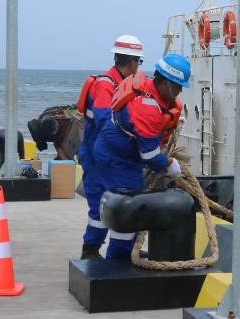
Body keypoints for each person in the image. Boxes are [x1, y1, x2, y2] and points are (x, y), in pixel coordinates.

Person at [92, 53, 190, 260]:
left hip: (121, 153)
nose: (180, 91)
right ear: (165, 83)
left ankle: (121, 253)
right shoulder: (147, 108)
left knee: (127, 205)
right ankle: (118, 262)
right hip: (116, 158)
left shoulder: (149, 90)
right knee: (128, 209)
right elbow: (150, 155)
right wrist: (170, 164)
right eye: (178, 86)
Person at [77, 35, 145, 260]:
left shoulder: (120, 83)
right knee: (102, 203)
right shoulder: (106, 85)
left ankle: (119, 249)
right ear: (132, 62)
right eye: (138, 62)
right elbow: (106, 120)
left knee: (111, 201)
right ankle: (92, 250)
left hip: (104, 151)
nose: (138, 67)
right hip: (99, 154)